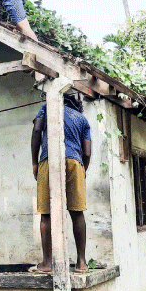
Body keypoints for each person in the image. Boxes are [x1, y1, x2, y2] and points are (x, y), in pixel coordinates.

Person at [31, 94, 92, 273]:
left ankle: (47, 263)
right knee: (77, 212)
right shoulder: (83, 119)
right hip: (75, 162)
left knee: (46, 213)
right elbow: (87, 152)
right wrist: (82, 170)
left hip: (48, 159)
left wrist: (35, 162)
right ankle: (81, 263)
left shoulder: (46, 108)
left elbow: (36, 131)